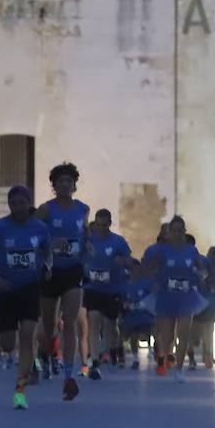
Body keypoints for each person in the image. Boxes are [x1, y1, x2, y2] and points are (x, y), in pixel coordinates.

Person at [0, 185, 48, 409]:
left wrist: (47, 267)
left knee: (28, 337)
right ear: (9, 205)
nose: (18, 207)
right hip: (6, 290)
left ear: (29, 203)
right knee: (8, 344)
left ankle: (20, 389)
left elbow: (46, 251)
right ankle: (16, 358)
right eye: (14, 203)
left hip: (30, 287)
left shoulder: (39, 228)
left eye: (23, 203)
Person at [36, 162, 90, 401]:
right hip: (50, 271)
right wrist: (49, 247)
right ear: (54, 185)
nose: (65, 185)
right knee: (48, 325)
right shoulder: (45, 210)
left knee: (70, 322)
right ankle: (47, 353)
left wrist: (86, 246)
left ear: (74, 185)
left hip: (73, 270)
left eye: (69, 181)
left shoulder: (83, 209)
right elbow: (32, 237)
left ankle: (69, 374)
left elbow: (84, 233)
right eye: (61, 181)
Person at [142, 216, 209, 382]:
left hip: (186, 295)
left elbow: (201, 268)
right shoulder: (161, 250)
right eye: (175, 230)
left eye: (181, 230)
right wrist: (155, 281)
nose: (178, 234)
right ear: (169, 233)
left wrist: (201, 276)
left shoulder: (191, 251)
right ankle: (165, 356)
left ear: (185, 232)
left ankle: (180, 369)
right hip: (166, 295)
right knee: (167, 335)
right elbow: (149, 268)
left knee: (183, 333)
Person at [82, 209, 131, 379]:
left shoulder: (118, 242)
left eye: (104, 225)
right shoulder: (88, 240)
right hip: (93, 289)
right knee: (94, 321)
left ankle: (112, 351)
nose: (101, 228)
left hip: (112, 290)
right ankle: (94, 361)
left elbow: (128, 260)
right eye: (98, 225)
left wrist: (123, 261)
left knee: (110, 326)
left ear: (109, 224)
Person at [118, 264, 154, 370]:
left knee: (146, 333)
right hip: (130, 316)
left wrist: (143, 305)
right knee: (133, 337)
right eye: (132, 270)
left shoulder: (146, 283)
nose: (135, 272)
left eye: (137, 270)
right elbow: (121, 300)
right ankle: (135, 359)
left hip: (145, 316)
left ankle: (152, 350)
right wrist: (125, 306)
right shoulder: (125, 286)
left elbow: (152, 297)